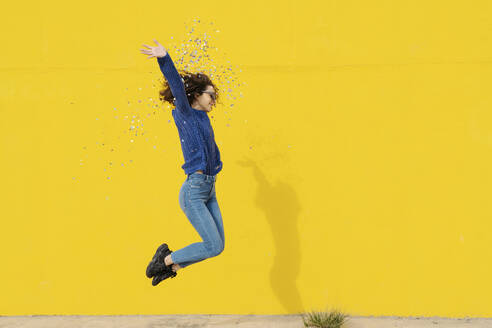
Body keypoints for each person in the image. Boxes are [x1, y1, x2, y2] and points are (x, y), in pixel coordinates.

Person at [139, 39, 225, 286]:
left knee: (217, 247)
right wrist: (164, 58)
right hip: (194, 190)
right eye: (210, 95)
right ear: (197, 95)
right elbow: (177, 86)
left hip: (209, 188)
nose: (213, 100)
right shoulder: (185, 114)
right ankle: (165, 261)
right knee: (212, 244)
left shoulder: (204, 119)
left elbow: (211, 152)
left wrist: (217, 166)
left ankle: (172, 265)